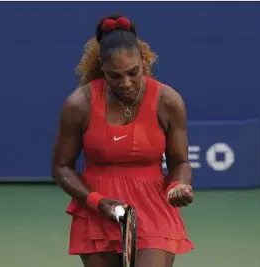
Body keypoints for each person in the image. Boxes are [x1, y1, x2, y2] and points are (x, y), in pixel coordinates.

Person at [51, 14, 194, 267]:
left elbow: (180, 161)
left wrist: (178, 186)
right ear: (101, 69)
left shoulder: (168, 101)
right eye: (114, 76)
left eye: (133, 72)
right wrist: (99, 202)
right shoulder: (79, 104)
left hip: (153, 207)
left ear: (144, 61)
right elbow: (61, 168)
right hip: (97, 208)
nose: (126, 83)